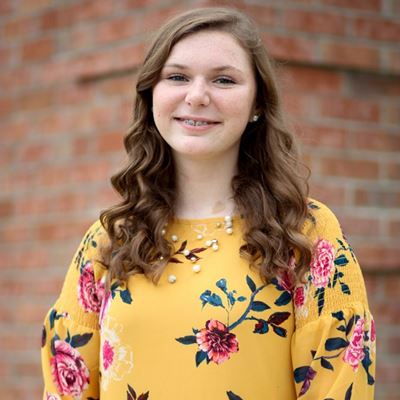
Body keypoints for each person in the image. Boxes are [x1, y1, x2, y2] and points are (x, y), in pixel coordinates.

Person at [41, 7, 376, 400]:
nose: (197, 96)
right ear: (152, 95)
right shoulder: (111, 239)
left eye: (223, 80)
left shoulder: (303, 233)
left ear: (257, 103)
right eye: (177, 77)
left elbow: (338, 385)